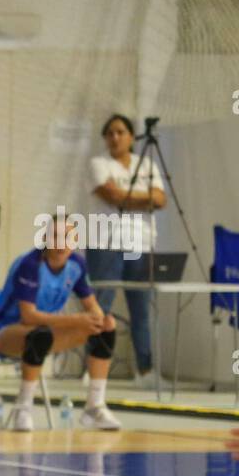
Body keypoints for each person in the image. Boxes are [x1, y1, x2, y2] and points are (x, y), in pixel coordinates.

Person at [0, 213, 122, 431]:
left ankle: (95, 406)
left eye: (67, 237)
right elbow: (28, 316)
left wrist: (100, 318)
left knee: (104, 329)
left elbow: (91, 304)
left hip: (46, 330)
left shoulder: (77, 264)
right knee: (40, 334)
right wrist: (75, 320)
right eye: (55, 236)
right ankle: (23, 406)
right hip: (7, 331)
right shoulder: (30, 264)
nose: (61, 243)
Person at [85, 113, 167, 389]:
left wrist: (134, 199)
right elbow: (113, 197)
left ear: (132, 137)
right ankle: (93, 370)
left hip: (139, 245)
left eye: (121, 132)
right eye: (110, 133)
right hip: (106, 243)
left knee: (141, 310)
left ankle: (145, 371)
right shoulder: (99, 164)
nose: (115, 137)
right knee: (100, 308)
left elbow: (161, 199)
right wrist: (145, 199)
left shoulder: (148, 164)